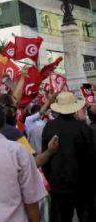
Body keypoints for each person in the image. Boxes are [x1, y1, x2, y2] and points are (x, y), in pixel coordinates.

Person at [42, 92, 94, 222]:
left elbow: (45, 156)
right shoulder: (83, 128)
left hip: (58, 182)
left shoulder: (49, 127)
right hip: (82, 183)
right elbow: (90, 157)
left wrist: (50, 178)